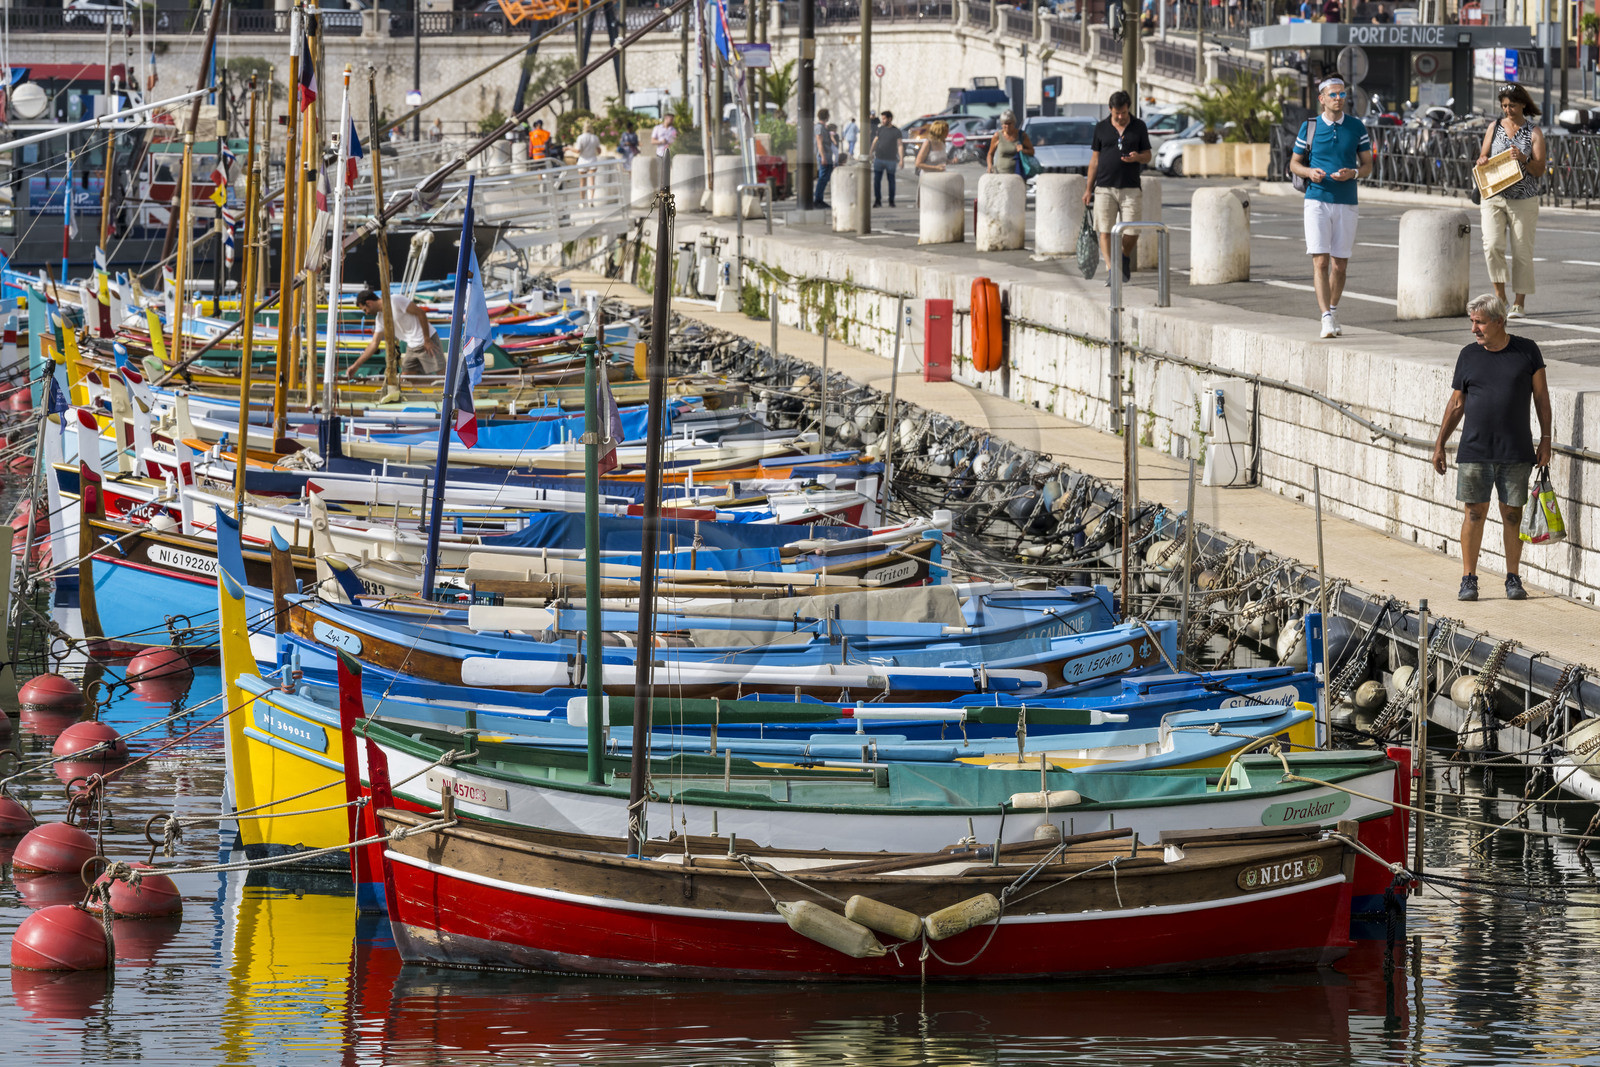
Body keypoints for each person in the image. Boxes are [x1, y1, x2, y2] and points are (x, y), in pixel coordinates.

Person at [1431, 293, 1552, 603]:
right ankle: (1468, 579)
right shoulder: (1468, 355)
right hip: (1475, 450)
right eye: (1472, 322)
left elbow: (1541, 398)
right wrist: (1440, 444)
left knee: (1513, 515)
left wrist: (1546, 440)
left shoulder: (1527, 351)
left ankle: (1513, 578)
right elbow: (1457, 403)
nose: (1474, 329)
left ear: (1500, 322)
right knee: (1474, 514)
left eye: (1480, 322)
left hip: (1516, 451)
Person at [1288, 75, 1372, 338]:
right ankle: (1325, 317)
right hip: (1316, 199)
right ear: (1322, 99)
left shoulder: (1357, 127)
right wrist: (1309, 172)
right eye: (1333, 95)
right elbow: (1294, 164)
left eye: (1342, 94)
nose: (1338, 99)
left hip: (1347, 202)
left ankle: (1333, 310)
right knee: (1320, 261)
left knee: (1340, 265)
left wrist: (1354, 174)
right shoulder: (1309, 126)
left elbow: (1368, 166)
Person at [1476, 83, 1546, 319]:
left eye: (1512, 105)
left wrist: (1524, 158)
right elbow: (1483, 155)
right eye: (1504, 106)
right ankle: (1501, 298)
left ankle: (1518, 303)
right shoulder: (1494, 127)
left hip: (1523, 199)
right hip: (1494, 195)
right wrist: (1483, 160)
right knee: (1492, 245)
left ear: (1523, 104)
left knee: (1521, 252)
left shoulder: (1534, 133)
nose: (1507, 110)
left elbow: (1538, 170)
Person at [1083, 91, 1152, 286]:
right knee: (1104, 230)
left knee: (1132, 230)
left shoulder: (1139, 126)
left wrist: (1137, 157)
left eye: (1123, 112)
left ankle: (1123, 256)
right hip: (1104, 187)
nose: (1120, 117)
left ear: (1128, 108)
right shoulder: (1101, 128)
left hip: (1130, 187)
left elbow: (1148, 155)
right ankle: (1112, 269)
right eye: (1116, 114)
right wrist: (1088, 189)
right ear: (1110, 110)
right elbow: (1094, 160)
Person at [346, 289, 443, 377]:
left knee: (442, 375)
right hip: (412, 346)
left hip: (427, 340)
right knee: (406, 378)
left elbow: (421, 313)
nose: (366, 313)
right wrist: (355, 366)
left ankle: (447, 394)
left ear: (369, 303)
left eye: (365, 310)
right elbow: (374, 344)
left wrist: (427, 339)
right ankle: (427, 393)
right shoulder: (380, 319)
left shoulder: (395, 300)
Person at [986, 109, 1036, 176]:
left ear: (1014, 123)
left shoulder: (1021, 135)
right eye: (1004, 123)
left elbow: (1032, 151)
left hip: (1018, 173)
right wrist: (990, 166)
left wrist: (1023, 150)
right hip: (1000, 173)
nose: (1007, 126)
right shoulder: (997, 136)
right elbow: (990, 154)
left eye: (1009, 123)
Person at [871, 110, 903, 208]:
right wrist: (870, 152)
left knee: (891, 180)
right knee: (877, 180)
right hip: (879, 158)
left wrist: (901, 159)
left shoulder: (896, 131)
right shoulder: (880, 129)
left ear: (890, 119)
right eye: (882, 118)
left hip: (891, 160)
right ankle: (877, 200)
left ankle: (891, 200)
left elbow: (900, 145)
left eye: (884, 118)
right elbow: (875, 141)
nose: (883, 120)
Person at [814, 106, 835, 207]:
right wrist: (823, 157)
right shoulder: (819, 128)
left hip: (827, 156)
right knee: (822, 178)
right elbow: (819, 143)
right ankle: (818, 199)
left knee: (825, 178)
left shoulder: (823, 128)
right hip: (824, 156)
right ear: (826, 116)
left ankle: (819, 199)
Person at [574, 121, 602, 196]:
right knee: (592, 182)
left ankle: (582, 201)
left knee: (582, 182)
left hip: (582, 161)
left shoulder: (580, 137)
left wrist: (568, 148)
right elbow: (599, 151)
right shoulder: (595, 137)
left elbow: (578, 150)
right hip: (592, 160)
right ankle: (591, 200)